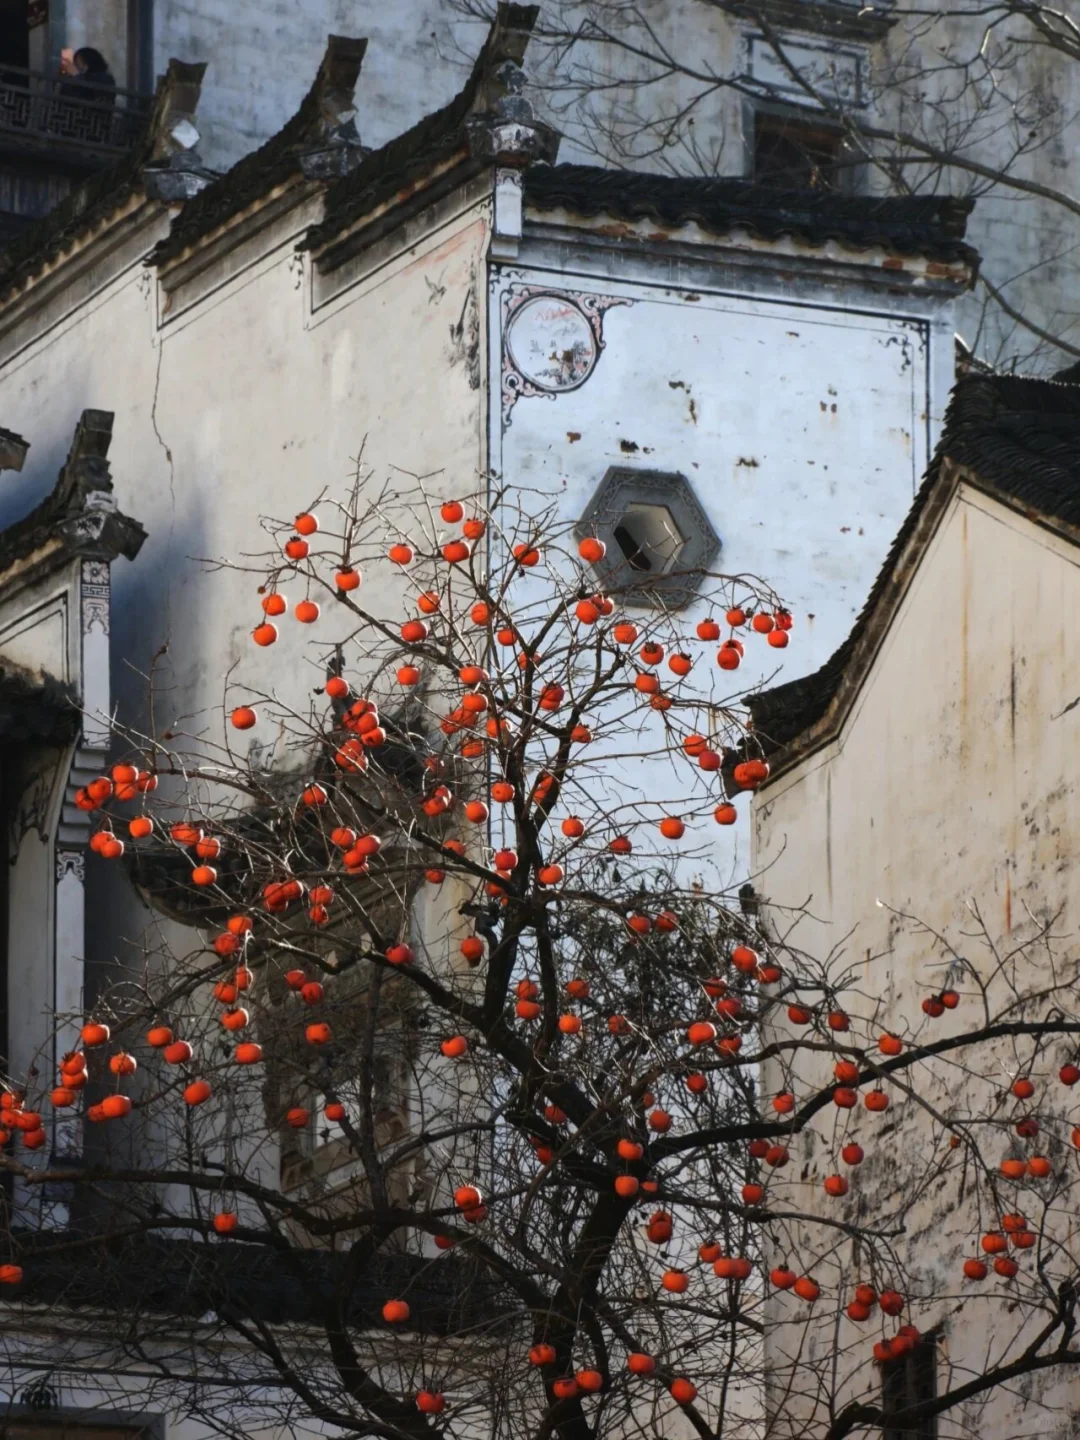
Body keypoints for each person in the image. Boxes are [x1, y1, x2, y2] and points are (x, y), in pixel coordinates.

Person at [58, 46, 115, 142]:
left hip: (94, 128)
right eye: (76, 64)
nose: (79, 68)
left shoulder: (104, 78)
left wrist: (77, 76)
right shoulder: (77, 78)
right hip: (71, 127)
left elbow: (90, 93)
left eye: (81, 64)